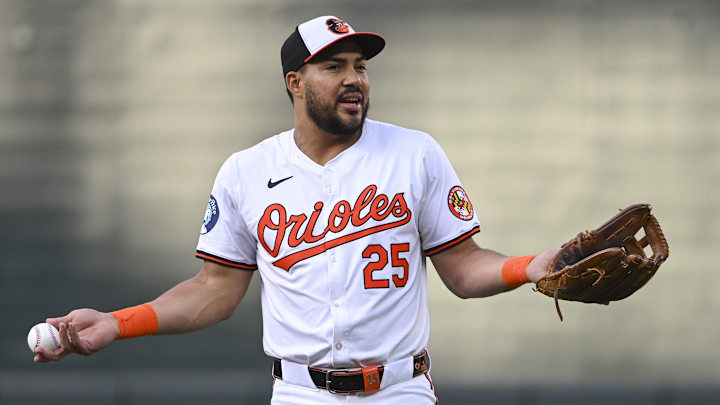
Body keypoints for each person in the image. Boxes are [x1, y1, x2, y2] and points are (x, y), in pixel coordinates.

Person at [34, 16, 559, 404]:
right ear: (295, 83)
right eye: (334, 66)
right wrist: (117, 322)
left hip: (400, 389)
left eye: (361, 66)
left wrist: (527, 267)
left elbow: (464, 267)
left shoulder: (414, 153)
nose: (355, 78)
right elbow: (213, 290)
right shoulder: (246, 170)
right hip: (300, 393)